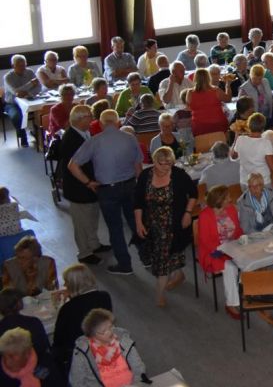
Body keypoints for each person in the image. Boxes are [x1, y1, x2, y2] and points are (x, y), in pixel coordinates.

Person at [67, 109, 143, 276]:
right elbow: (138, 168)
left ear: (100, 124)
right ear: (118, 123)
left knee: (115, 228)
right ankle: (147, 257)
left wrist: (88, 182)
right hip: (130, 186)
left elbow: (72, 165)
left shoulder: (95, 141)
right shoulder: (130, 139)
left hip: (107, 189)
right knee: (135, 222)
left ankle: (125, 264)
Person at [135, 146, 197, 307]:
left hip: (174, 224)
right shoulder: (145, 176)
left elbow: (193, 193)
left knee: (163, 259)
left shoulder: (178, 175)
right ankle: (179, 275)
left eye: (169, 164)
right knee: (168, 255)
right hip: (152, 225)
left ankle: (159, 294)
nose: (166, 167)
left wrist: (188, 213)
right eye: (162, 164)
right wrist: (139, 222)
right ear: (154, 161)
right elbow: (138, 201)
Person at [57, 106, 104, 264]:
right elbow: (74, 166)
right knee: (81, 220)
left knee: (92, 215)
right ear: (78, 119)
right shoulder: (71, 138)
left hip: (89, 184)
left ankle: (94, 243)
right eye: (88, 116)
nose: (91, 118)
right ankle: (84, 252)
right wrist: (88, 182)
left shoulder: (84, 132)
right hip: (78, 186)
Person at [68, 308, 146, 387]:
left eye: (110, 327)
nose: (110, 332)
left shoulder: (123, 341)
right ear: (92, 335)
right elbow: (77, 384)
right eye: (103, 331)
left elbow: (139, 367)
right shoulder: (82, 353)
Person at [0, 328, 67, 387]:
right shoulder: (2, 374)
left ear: (26, 354)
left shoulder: (43, 364)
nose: (7, 361)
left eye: (12, 356)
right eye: (4, 355)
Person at [195, 186, 244, 319]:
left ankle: (249, 292)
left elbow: (238, 230)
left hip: (232, 247)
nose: (230, 198)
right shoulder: (205, 215)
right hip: (213, 252)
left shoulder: (231, 209)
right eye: (227, 197)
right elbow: (205, 241)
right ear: (219, 200)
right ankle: (231, 304)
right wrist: (224, 249)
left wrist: (241, 240)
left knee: (249, 260)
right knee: (230, 267)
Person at [51, 265, 111, 372]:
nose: (64, 285)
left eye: (66, 282)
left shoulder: (68, 308)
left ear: (73, 284)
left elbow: (58, 338)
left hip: (77, 351)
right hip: (102, 345)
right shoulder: (104, 296)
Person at [231, 113, 273, 185]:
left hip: (245, 183)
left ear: (249, 125)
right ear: (263, 128)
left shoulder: (240, 139)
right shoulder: (265, 143)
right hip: (262, 183)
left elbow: (233, 156)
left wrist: (236, 137)